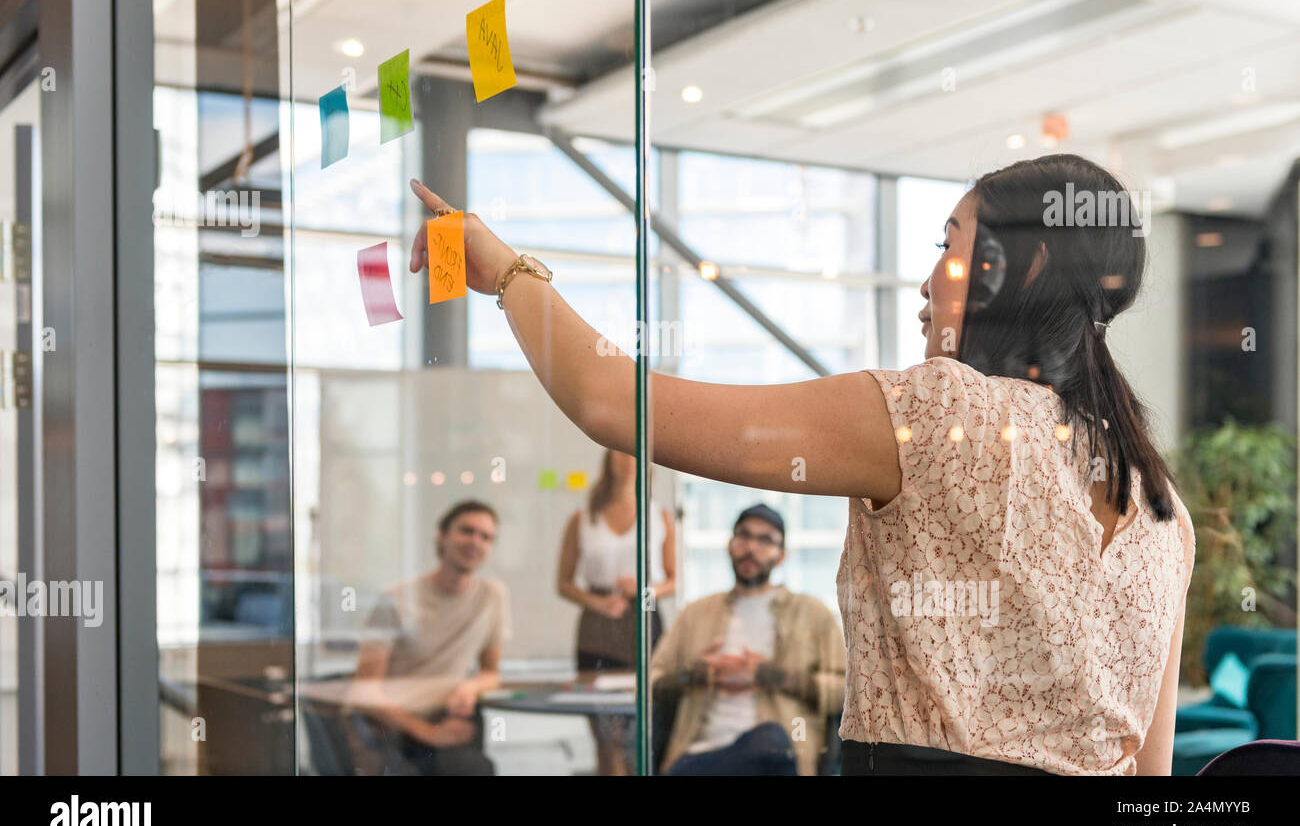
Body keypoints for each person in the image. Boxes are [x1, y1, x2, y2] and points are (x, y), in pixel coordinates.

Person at [406, 152, 1196, 776]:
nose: (927, 283)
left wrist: (504, 270)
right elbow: (1149, 774)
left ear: (1018, 269)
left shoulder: (935, 411)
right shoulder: (1163, 507)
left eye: (949, 249)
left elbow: (614, 403)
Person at [651, 503, 845, 776]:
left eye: (765, 539)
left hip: (778, 758)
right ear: (730, 545)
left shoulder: (812, 614)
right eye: (743, 535)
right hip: (700, 756)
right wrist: (696, 675)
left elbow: (848, 691)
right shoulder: (695, 614)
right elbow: (650, 681)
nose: (751, 547)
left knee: (771, 740)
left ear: (781, 556)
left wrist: (773, 677)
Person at [346, 500, 510, 775]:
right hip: (392, 727)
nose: (475, 542)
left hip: (447, 719)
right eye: (466, 531)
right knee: (470, 768)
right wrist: (428, 732)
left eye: (486, 537)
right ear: (442, 536)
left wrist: (469, 688)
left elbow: (491, 673)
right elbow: (364, 692)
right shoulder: (396, 599)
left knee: (471, 765)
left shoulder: (492, 596)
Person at [557, 448, 676, 775]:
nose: (628, 460)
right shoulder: (583, 518)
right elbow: (563, 583)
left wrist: (645, 590)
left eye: (635, 454)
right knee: (603, 731)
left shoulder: (660, 516)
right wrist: (599, 602)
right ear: (608, 459)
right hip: (597, 626)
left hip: (645, 621)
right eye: (620, 452)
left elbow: (674, 579)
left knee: (641, 728)